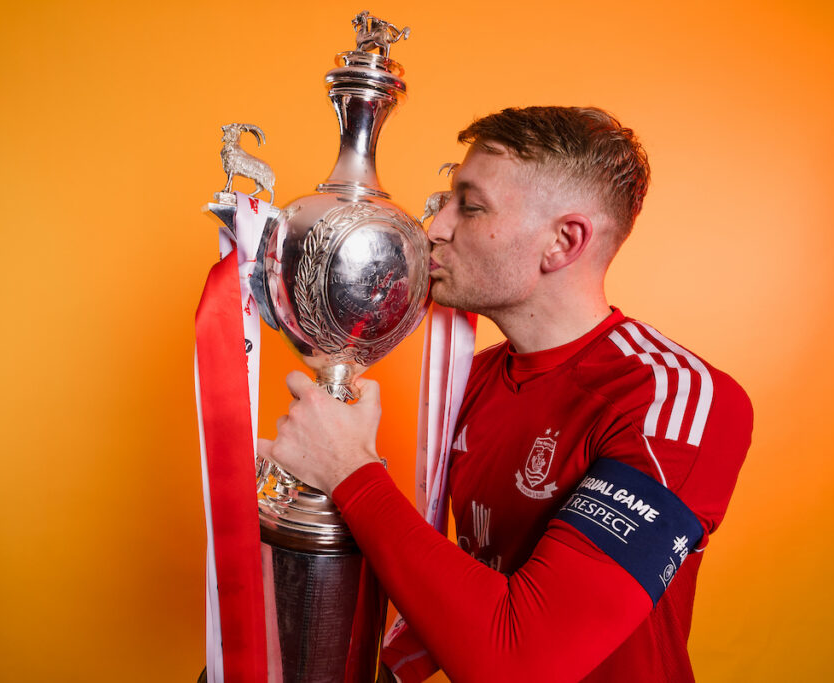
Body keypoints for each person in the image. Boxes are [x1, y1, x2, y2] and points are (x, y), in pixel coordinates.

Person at [258, 106, 753, 682]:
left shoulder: (671, 400)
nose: (435, 228)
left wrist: (350, 470)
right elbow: (467, 585)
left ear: (563, 242)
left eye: (469, 206)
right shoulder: (474, 379)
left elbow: (522, 660)